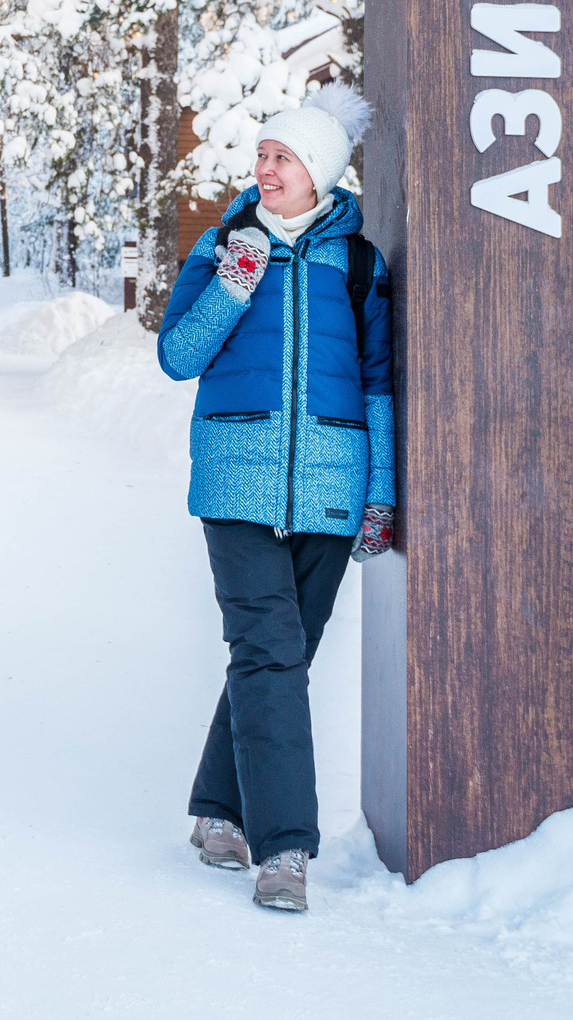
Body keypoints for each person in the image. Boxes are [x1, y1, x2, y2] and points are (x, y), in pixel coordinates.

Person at [155, 82, 393, 914]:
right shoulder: (226, 242)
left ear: (319, 171)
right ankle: (286, 845)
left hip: (333, 485)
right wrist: (231, 286)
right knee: (269, 651)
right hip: (237, 476)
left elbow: (378, 387)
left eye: (280, 157)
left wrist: (382, 493)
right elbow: (178, 356)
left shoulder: (359, 262)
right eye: (260, 154)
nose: (263, 168)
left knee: (279, 657)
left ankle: (217, 810)